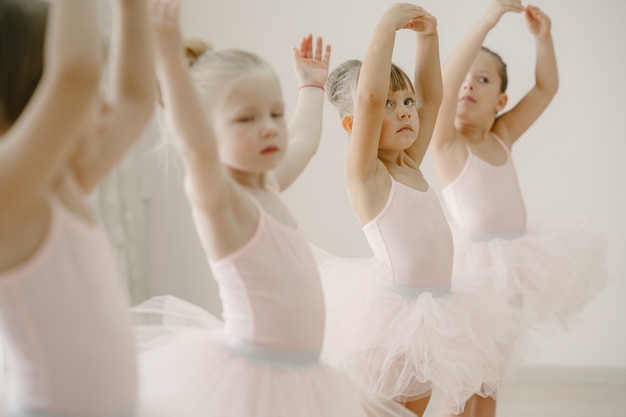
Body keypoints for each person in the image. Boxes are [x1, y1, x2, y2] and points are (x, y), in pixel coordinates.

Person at [131, 1, 414, 416]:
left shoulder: (268, 184)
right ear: (206, 128)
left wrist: (312, 88)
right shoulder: (221, 200)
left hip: (303, 372)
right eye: (246, 118)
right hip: (257, 377)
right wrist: (171, 66)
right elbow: (196, 148)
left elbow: (303, 142)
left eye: (275, 113)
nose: (268, 126)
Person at [322, 3, 520, 416]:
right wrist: (387, 27)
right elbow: (370, 96)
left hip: (437, 314)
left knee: (434, 403)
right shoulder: (368, 175)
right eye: (389, 107)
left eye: (406, 102)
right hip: (396, 321)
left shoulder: (409, 163)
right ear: (353, 126)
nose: (405, 111)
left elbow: (433, 96)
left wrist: (428, 38)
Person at [430, 0, 608, 415]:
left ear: (501, 101)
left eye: (483, 79)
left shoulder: (501, 136)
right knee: (462, 378)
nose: (468, 86)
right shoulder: (447, 145)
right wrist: (487, 21)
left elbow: (546, 89)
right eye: (463, 79)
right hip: (471, 275)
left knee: (490, 378)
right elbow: (446, 78)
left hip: (510, 273)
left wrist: (542, 41)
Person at [0, 0, 155, 415]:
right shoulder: (10, 195)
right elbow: (76, 75)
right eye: (93, 93)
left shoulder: (64, 183)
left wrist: (132, 10)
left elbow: (137, 100)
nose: (106, 104)